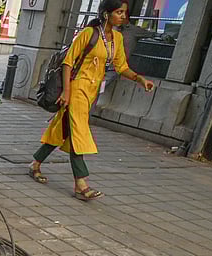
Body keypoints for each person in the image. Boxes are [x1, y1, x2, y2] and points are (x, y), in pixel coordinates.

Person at [29, 0, 155, 201]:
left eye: (125, 12)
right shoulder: (89, 33)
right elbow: (68, 63)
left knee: (62, 129)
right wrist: (67, 93)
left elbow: (121, 67)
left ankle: (35, 164)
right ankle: (81, 184)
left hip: (92, 92)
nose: (124, 16)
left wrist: (140, 79)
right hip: (77, 88)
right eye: (119, 12)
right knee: (79, 132)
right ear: (106, 14)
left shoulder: (117, 39)